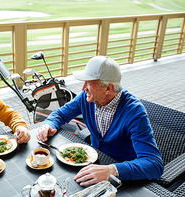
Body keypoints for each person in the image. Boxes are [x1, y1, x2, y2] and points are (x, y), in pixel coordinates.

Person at [36, 56, 164, 186]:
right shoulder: (85, 98)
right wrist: (49, 125)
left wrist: (113, 170)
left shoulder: (135, 112)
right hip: (94, 164)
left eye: (89, 83)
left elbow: (154, 164)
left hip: (123, 177)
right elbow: (60, 114)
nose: (83, 88)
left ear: (108, 88)